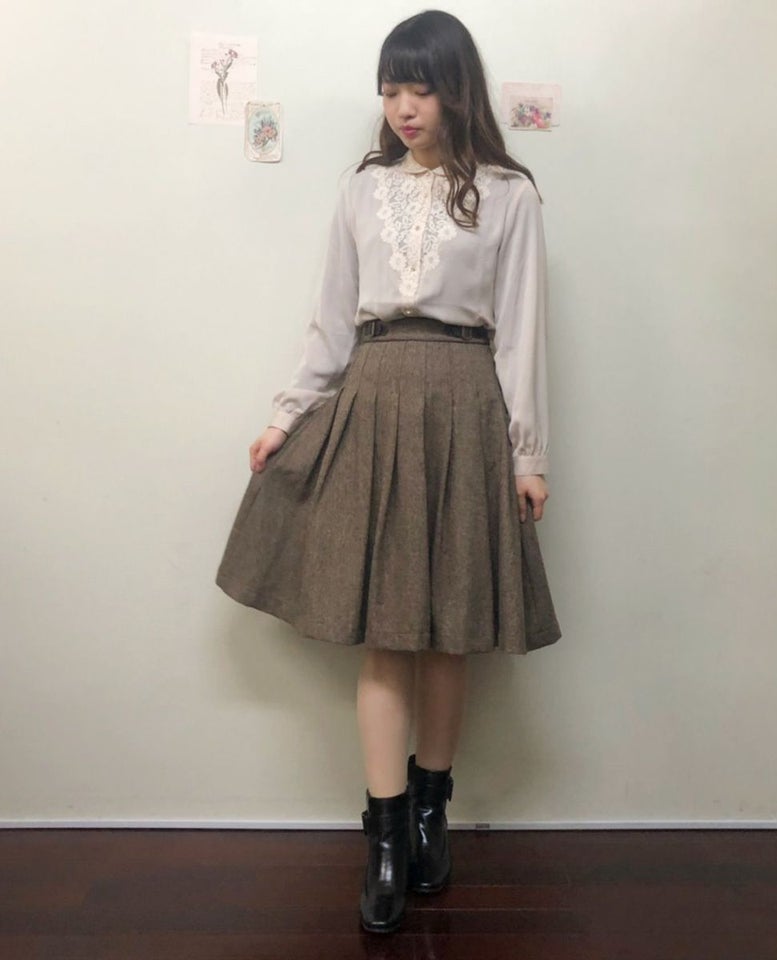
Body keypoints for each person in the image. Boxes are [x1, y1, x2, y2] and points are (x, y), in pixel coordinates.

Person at [215, 8, 562, 935]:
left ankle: (431, 812)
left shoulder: (509, 194)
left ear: (457, 92)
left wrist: (529, 454)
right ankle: (383, 836)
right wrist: (286, 416)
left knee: (447, 631)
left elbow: (522, 332)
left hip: (465, 405)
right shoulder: (361, 189)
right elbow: (331, 320)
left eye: (421, 89)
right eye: (390, 89)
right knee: (385, 632)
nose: (403, 107)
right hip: (372, 397)